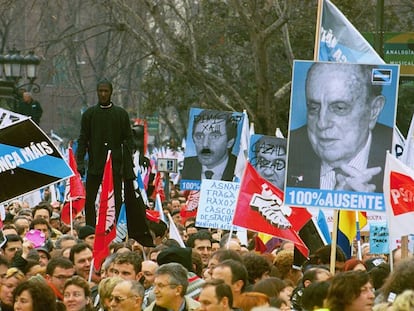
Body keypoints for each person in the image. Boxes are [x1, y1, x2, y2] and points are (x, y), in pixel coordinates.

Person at [287, 62, 392, 193]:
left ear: (373, 110)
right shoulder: (287, 152)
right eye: (313, 108)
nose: (322, 123)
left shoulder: (402, 158)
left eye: (339, 108)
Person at [76, 78, 134, 227]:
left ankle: (117, 226)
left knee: (117, 199)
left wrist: (127, 165)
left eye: (105, 91)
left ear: (111, 92)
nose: (103, 94)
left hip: (115, 165)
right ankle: (90, 227)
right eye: (100, 91)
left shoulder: (121, 114)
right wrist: (80, 162)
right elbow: (82, 139)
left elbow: (129, 140)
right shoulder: (89, 114)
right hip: (95, 164)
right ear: (97, 92)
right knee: (90, 199)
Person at [181, 110, 239, 181]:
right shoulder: (187, 166)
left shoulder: (240, 169)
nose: (205, 144)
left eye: (214, 136)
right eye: (199, 136)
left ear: (230, 142)